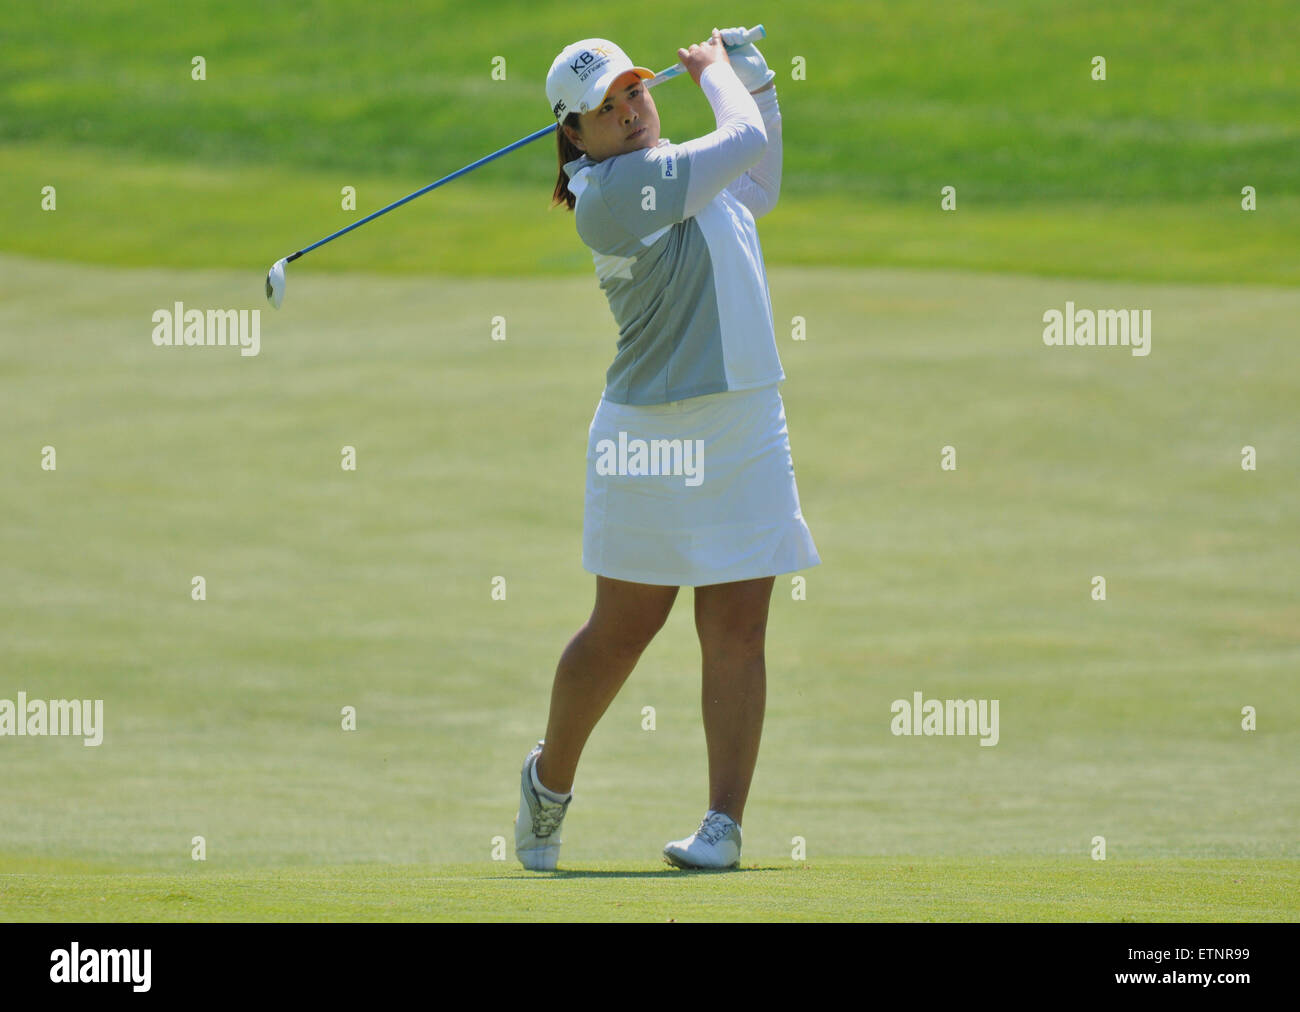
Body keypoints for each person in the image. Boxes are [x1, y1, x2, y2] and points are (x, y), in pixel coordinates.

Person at [516, 28, 820, 871]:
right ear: (574, 135)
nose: (630, 112)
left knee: (737, 627)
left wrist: (755, 84)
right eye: (605, 110)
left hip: (745, 421)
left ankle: (722, 824)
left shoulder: (675, 168)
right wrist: (720, 74)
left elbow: (755, 181)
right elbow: (745, 145)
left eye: (634, 93)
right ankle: (548, 783)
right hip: (649, 435)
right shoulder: (615, 192)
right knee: (623, 630)